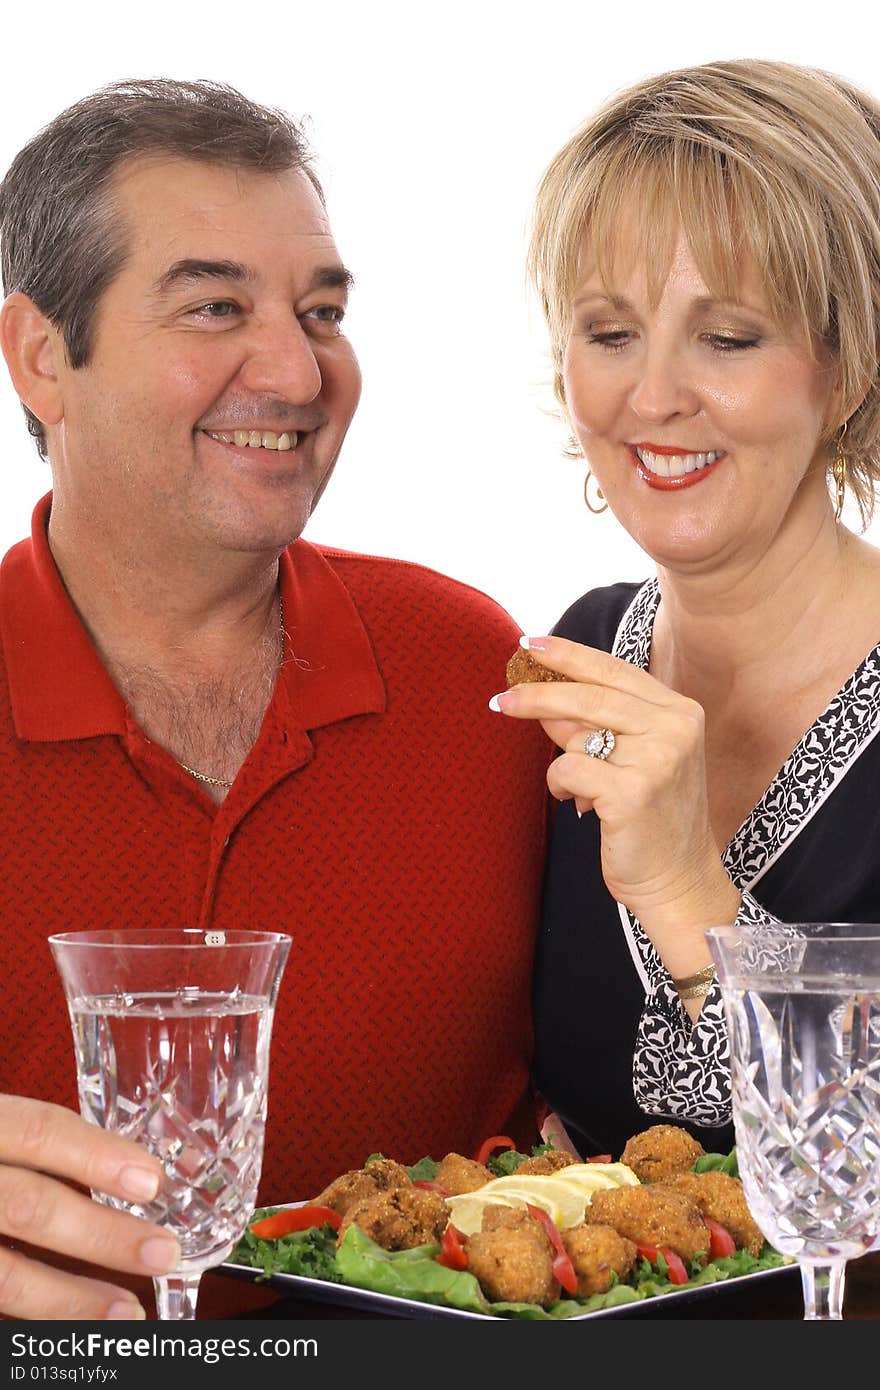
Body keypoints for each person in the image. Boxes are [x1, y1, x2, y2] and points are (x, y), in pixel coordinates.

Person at [0, 79, 550, 1320]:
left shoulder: (480, 675)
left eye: (322, 312)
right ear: (44, 357)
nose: (299, 371)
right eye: (215, 307)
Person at [489, 59, 880, 1163]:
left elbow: (855, 1163)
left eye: (728, 337)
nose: (650, 396)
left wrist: (682, 888)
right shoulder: (576, 654)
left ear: (846, 365)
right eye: (609, 332)